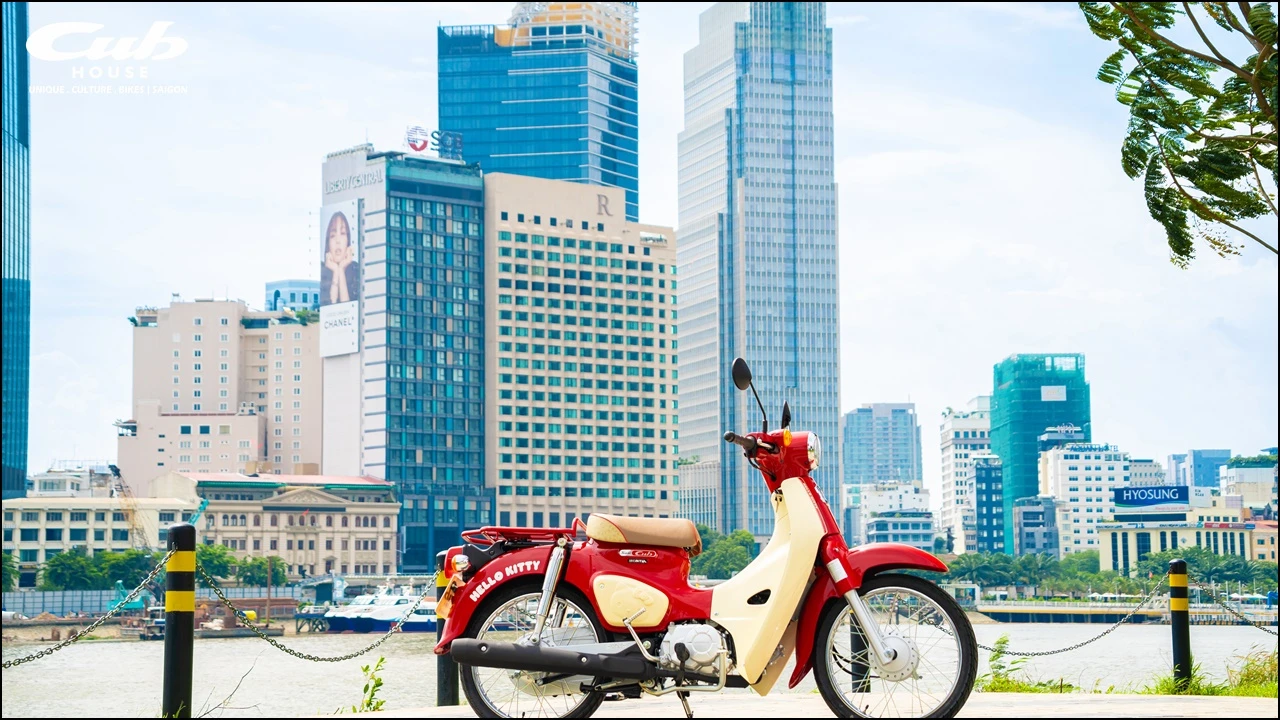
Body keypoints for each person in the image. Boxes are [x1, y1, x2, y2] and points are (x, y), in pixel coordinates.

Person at [321, 210, 359, 304]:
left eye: (342, 233)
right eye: (333, 235)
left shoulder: (356, 269)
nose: (338, 241)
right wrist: (335, 272)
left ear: (348, 240)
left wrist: (341, 270)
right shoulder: (321, 271)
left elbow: (348, 310)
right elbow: (330, 308)